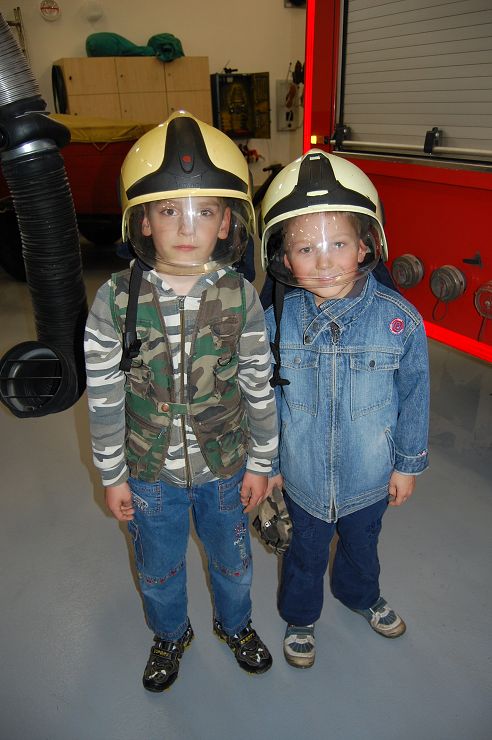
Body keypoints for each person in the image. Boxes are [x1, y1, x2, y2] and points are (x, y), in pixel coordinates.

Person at [84, 111, 278, 691]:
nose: (187, 227)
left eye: (204, 211)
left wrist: (263, 463)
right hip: (149, 475)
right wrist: (112, 476)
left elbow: (258, 383)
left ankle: (235, 624)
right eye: (169, 210)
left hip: (225, 469)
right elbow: (104, 397)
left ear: (227, 221)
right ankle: (170, 634)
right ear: (142, 220)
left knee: (233, 562)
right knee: (159, 569)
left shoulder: (241, 295)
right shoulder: (116, 299)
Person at [260, 149, 430, 668]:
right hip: (303, 477)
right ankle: (300, 617)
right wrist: (267, 464)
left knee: (362, 546)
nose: (324, 261)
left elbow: (414, 394)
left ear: (365, 245)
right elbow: (264, 396)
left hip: (370, 477)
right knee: (305, 554)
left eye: (338, 243)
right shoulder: (275, 321)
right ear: (283, 258)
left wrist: (407, 464)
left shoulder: (399, 320)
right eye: (305, 248)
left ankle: (361, 595)